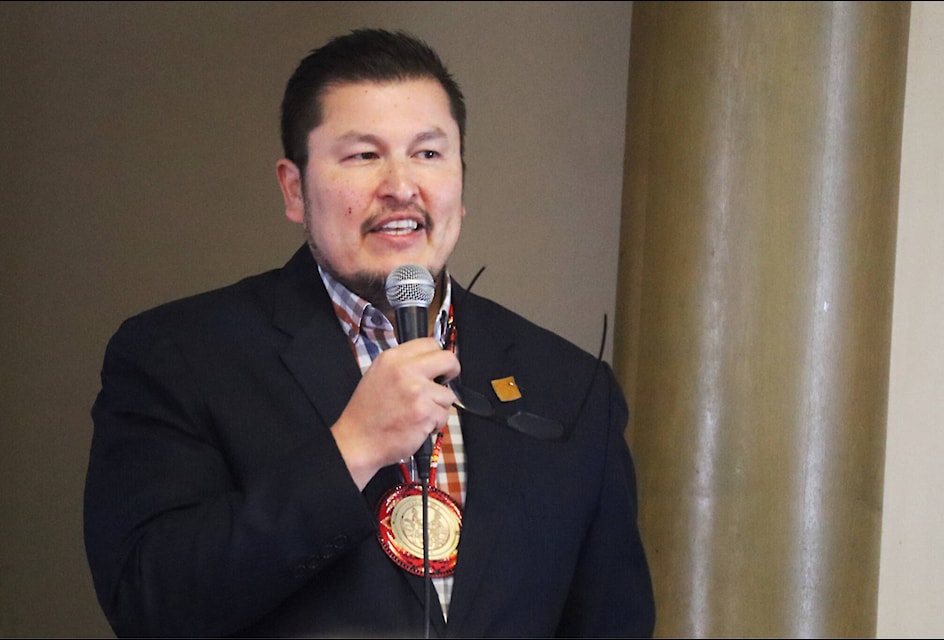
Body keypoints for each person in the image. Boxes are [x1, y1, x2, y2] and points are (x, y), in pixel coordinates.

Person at [83, 28, 655, 638]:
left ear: (461, 185)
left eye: (429, 154)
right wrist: (350, 450)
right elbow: (151, 606)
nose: (401, 186)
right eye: (363, 155)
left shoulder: (571, 387)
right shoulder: (178, 355)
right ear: (294, 189)